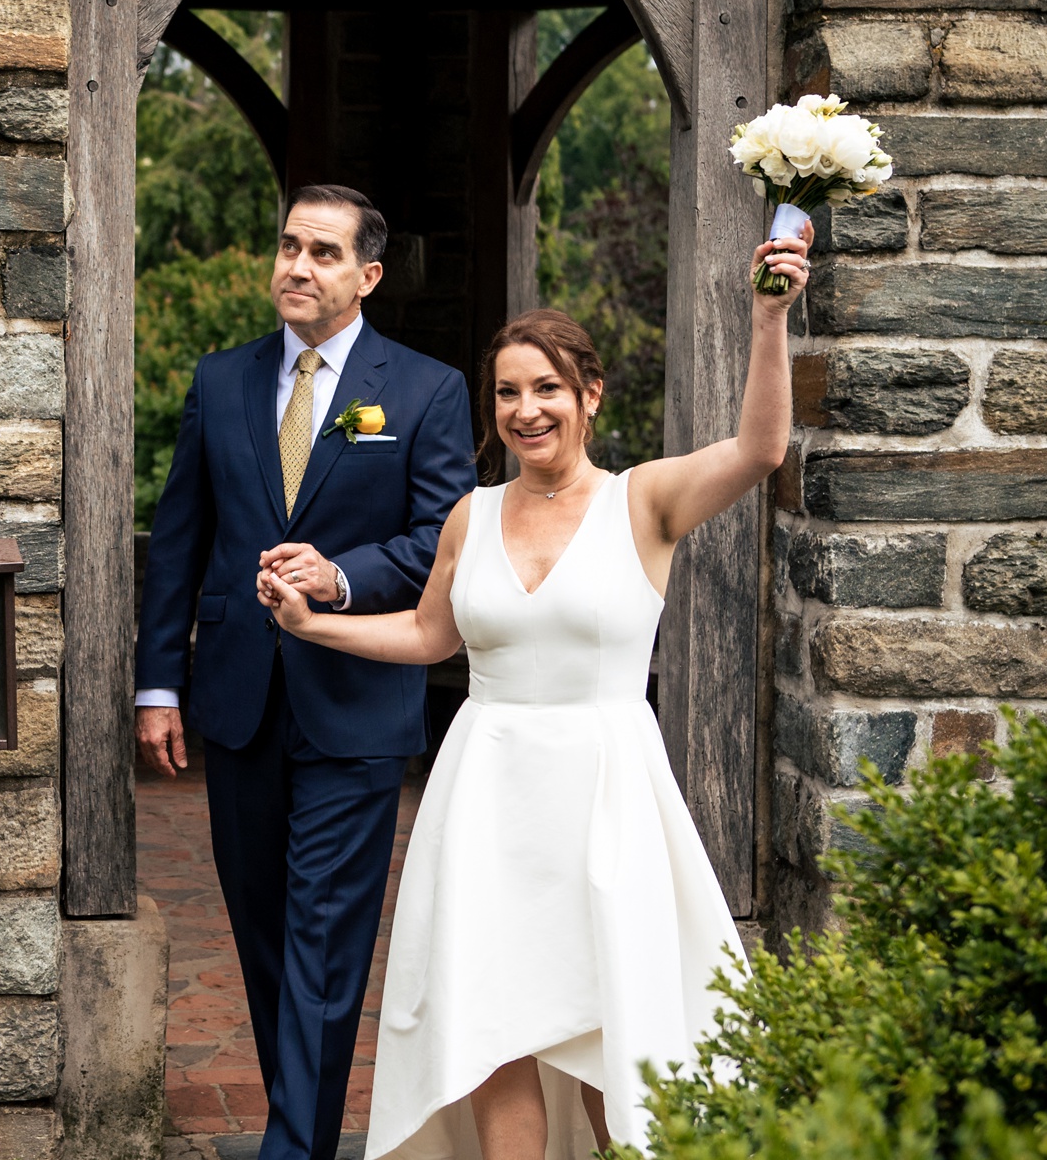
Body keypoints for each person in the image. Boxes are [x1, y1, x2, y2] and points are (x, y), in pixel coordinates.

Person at [258, 231, 811, 1160]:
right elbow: (434, 636)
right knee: (493, 1029)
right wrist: (317, 627)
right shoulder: (471, 514)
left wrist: (768, 317)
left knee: (611, 1031)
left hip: (606, 793)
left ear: (590, 395)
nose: (526, 410)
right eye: (508, 392)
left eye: (547, 388)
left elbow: (761, 448)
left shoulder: (646, 501)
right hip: (485, 794)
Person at [136, 184, 480, 1160]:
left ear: (366, 275)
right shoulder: (220, 380)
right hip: (238, 704)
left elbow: (440, 539)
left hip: (356, 708)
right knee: (263, 934)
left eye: (322, 252)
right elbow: (179, 538)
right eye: (289, 245)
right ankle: (306, 1129)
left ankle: (293, 1147)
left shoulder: (422, 390)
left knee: (324, 940)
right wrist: (158, 685)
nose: (296, 265)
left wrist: (343, 574)